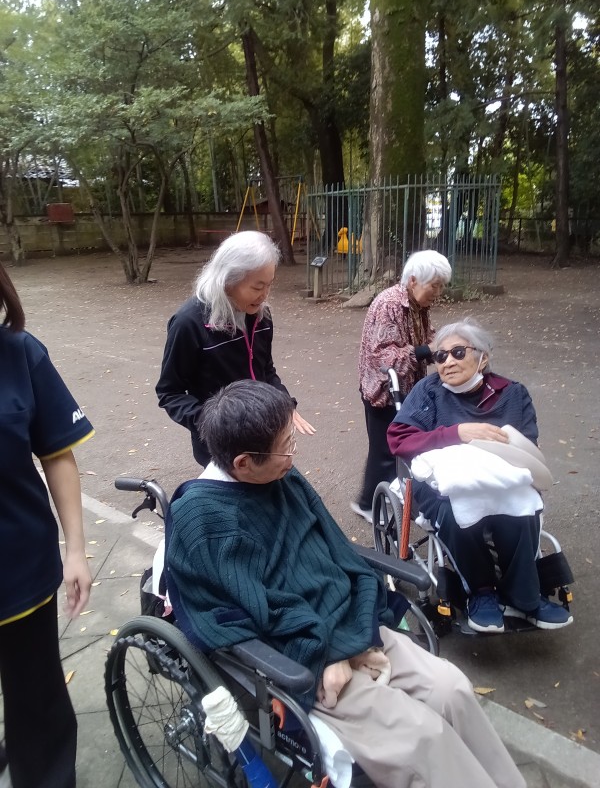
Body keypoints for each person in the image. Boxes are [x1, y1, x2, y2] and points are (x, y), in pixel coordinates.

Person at [166, 379, 525, 788]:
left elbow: (336, 550)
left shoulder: (281, 476)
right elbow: (242, 615)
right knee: (421, 737)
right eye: (286, 446)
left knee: (452, 689)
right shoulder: (204, 521)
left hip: (351, 622)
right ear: (244, 463)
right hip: (304, 656)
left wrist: (357, 637)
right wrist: (332, 652)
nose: (293, 455)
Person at [387, 317, 573, 634]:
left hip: (501, 479)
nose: (447, 362)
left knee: (523, 503)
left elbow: (527, 444)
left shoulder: (512, 394)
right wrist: (457, 433)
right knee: (453, 510)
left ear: (483, 358)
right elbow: (399, 439)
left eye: (458, 352)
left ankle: (525, 596)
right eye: (440, 356)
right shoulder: (428, 391)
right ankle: (481, 592)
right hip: (443, 483)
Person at [0, 262, 94, 788]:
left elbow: (57, 453)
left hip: (21, 573)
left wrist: (75, 549)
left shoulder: (20, 354)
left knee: (37, 704)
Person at [156, 230, 315, 466]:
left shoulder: (261, 316)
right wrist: (215, 426)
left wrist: (284, 405)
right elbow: (170, 393)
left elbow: (265, 370)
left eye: (269, 285)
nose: (264, 296)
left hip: (264, 438)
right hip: (220, 449)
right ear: (228, 281)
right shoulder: (188, 323)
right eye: (257, 287)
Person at [352, 249, 451, 522]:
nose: (438, 292)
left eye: (442, 286)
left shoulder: (418, 304)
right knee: (384, 450)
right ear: (414, 280)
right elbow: (385, 357)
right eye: (435, 285)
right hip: (383, 389)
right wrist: (427, 350)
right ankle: (367, 504)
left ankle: (393, 496)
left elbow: (427, 338)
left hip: (407, 387)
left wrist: (443, 348)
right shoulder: (390, 304)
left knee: (398, 445)